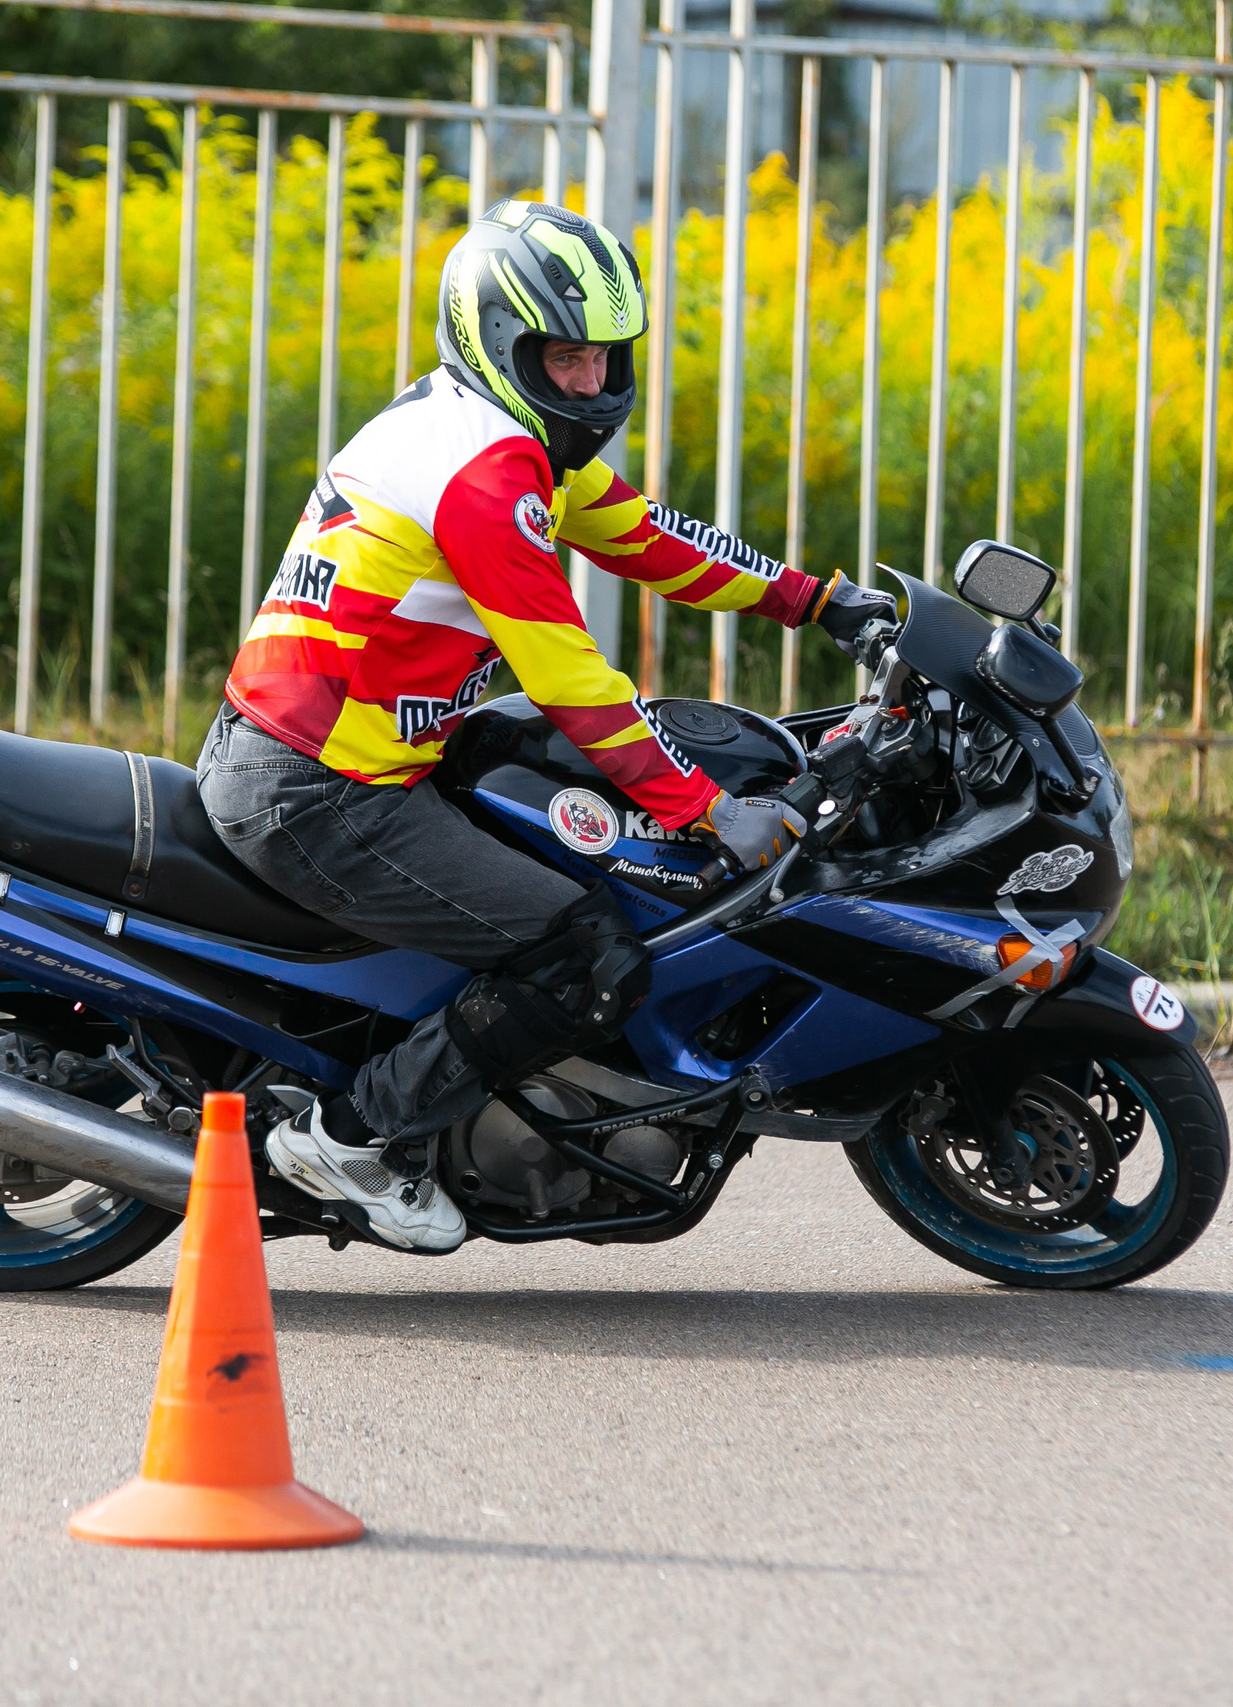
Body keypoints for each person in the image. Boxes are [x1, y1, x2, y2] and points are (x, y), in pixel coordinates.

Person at [198, 199, 895, 1253]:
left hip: (330, 756)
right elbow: (570, 673)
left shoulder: (487, 430)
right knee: (583, 953)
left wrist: (812, 599)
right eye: (562, 357)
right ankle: (359, 1139)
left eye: (606, 361)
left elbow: (643, 532)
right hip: (321, 789)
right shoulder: (484, 471)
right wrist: (708, 809)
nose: (590, 385)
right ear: (494, 336)